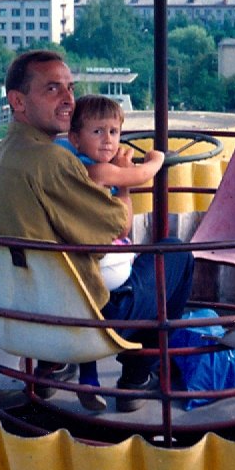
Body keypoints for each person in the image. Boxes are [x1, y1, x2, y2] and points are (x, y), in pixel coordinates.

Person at [0, 50, 193, 412]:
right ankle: (138, 375)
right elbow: (116, 226)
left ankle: (53, 365)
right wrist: (124, 183)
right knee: (174, 254)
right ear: (18, 101)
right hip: (78, 325)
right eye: (52, 89)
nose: (67, 99)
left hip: (15, 319)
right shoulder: (50, 161)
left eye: (69, 88)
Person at [57, 94, 165, 410]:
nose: (108, 141)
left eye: (114, 132)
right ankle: (142, 366)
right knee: (154, 262)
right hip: (104, 269)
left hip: (72, 268)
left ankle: (88, 378)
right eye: (97, 132)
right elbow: (142, 179)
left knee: (86, 310)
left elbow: (121, 220)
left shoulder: (66, 162)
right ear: (75, 138)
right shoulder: (97, 173)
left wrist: (124, 186)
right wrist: (155, 160)